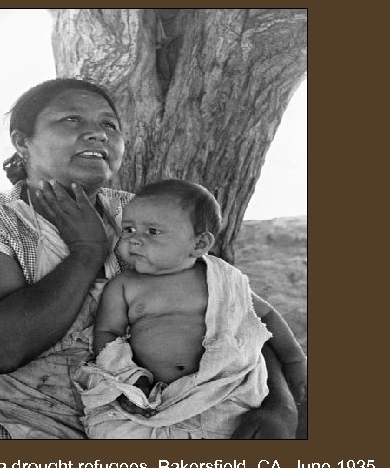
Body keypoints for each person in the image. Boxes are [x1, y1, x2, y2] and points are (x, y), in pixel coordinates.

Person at [0, 78, 299, 439]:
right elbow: (0, 350)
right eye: (71, 119)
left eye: (109, 124)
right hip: (2, 425)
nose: (97, 132)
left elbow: (232, 312)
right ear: (22, 141)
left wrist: (281, 407)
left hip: (145, 420)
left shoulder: (136, 215)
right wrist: (87, 251)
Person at [76, 180, 307, 438]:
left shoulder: (222, 279)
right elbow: (107, 334)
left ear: (198, 244)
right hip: (152, 396)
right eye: (128, 230)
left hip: (222, 390)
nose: (134, 241)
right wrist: (129, 379)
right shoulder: (124, 286)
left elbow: (265, 317)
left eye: (152, 232)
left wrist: (294, 359)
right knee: (116, 429)